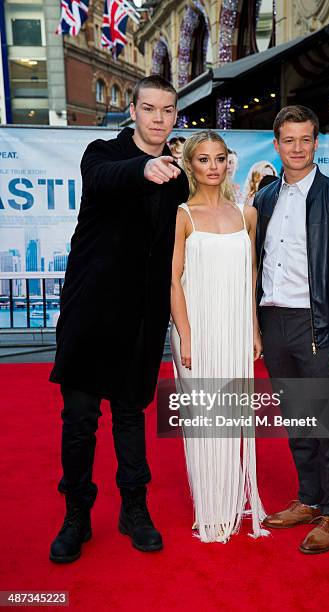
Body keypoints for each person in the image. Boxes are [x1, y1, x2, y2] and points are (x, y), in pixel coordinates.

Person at [49, 76, 189, 563]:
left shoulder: (181, 176)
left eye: (167, 110)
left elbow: (182, 248)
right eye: (149, 108)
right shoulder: (102, 154)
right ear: (133, 110)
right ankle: (76, 516)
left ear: (175, 115)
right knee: (80, 419)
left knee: (131, 417)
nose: (157, 118)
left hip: (141, 319)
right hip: (91, 311)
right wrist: (145, 169)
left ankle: (134, 509)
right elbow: (106, 180)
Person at [255, 105, 329, 554]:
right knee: (296, 421)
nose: (297, 148)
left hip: (319, 323)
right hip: (274, 319)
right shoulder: (264, 199)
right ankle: (308, 498)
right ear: (277, 143)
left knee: (325, 424)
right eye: (289, 140)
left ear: (317, 142)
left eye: (306, 139)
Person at [170, 130, 267, 543]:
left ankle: (229, 502)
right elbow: (172, 280)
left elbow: (251, 275)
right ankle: (208, 506)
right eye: (203, 159)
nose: (212, 166)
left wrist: (254, 328)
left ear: (229, 162)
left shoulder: (247, 213)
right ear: (191, 165)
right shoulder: (181, 215)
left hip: (233, 326)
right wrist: (186, 335)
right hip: (197, 329)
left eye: (219, 158)